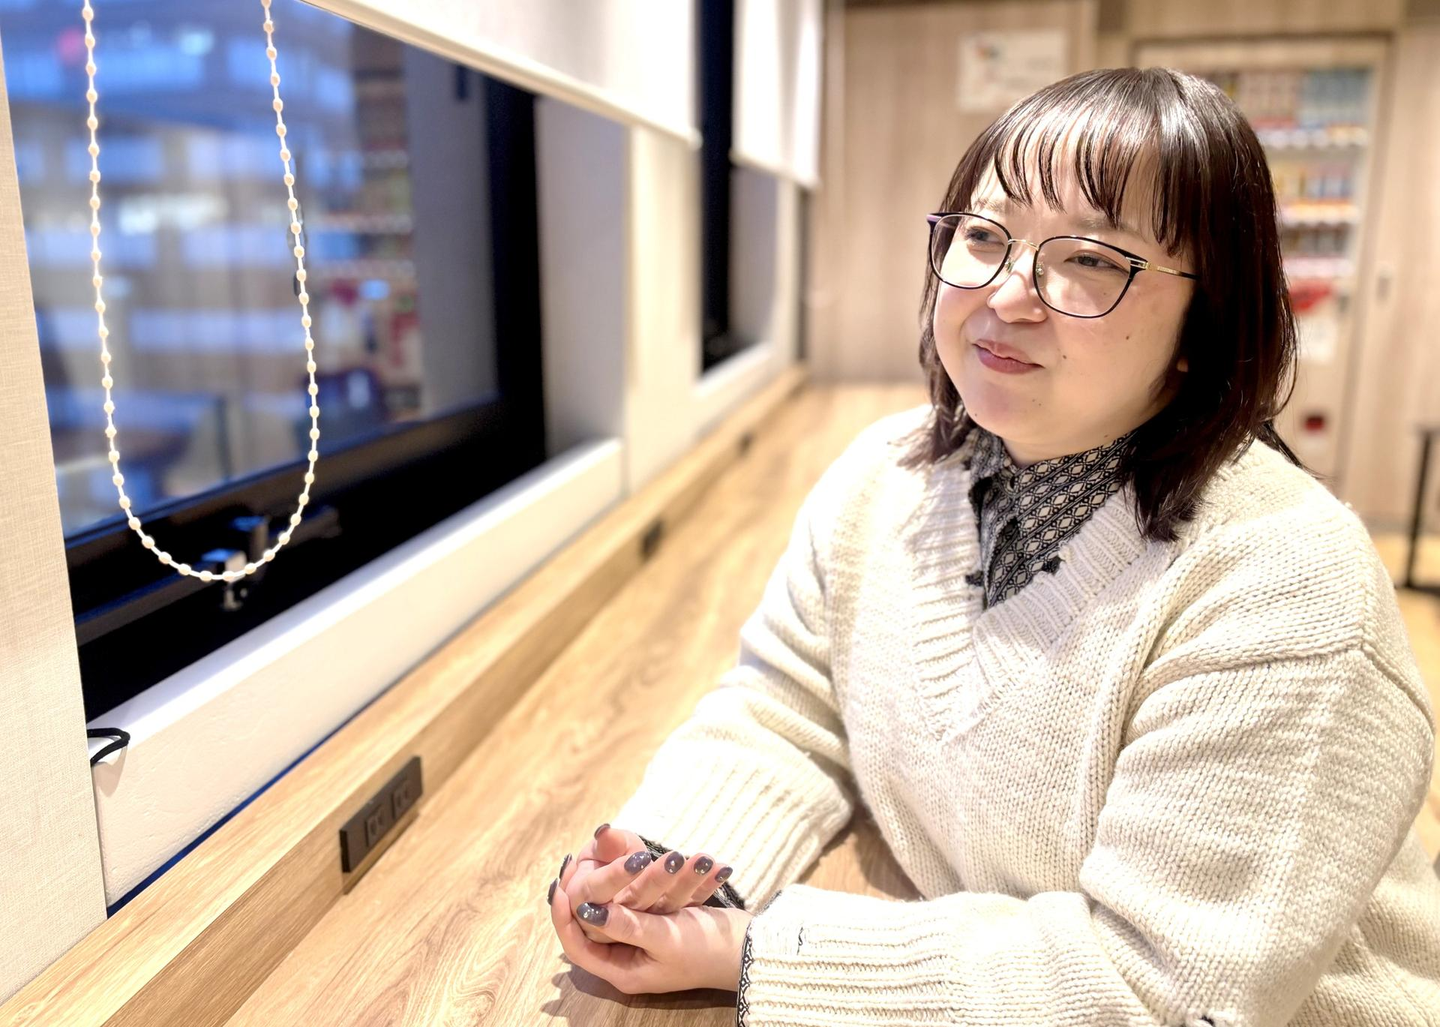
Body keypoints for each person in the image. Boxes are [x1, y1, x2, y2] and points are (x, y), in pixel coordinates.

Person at [545, 65, 1440, 1025]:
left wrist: (757, 950)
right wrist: (664, 876)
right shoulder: (883, 479)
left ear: (1205, 321)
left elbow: (1159, 988)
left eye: (1090, 258)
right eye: (983, 235)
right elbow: (790, 704)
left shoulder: (1286, 584)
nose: (1009, 293)